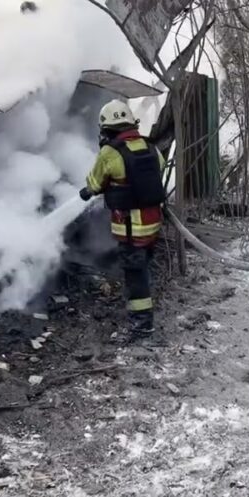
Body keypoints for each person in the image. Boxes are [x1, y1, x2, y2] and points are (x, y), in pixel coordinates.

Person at [79, 99, 166, 341]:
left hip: (131, 229)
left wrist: (88, 191)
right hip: (152, 225)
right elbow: (158, 168)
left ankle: (142, 326)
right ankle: (142, 313)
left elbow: (95, 183)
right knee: (141, 270)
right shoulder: (150, 147)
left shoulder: (110, 152)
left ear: (106, 128)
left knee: (135, 277)